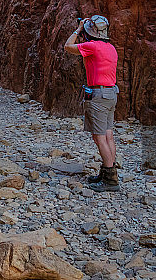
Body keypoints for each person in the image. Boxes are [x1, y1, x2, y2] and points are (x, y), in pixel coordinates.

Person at [64, 15, 120, 192]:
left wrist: (78, 29)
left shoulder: (92, 47)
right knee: (108, 135)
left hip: (98, 95)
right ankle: (107, 171)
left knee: (99, 137)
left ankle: (110, 179)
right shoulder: (111, 48)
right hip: (111, 93)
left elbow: (67, 46)